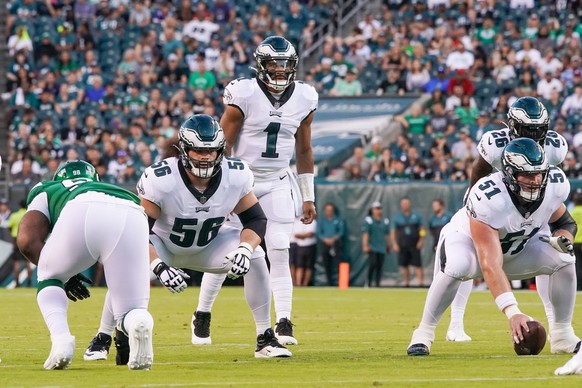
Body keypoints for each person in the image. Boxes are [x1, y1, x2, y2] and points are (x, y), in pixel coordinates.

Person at [84, 115, 291, 359]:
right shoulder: (161, 179)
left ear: (220, 151)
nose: (205, 157)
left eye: (211, 151)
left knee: (256, 254)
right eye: (197, 150)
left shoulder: (236, 175)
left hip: (208, 245)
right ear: (183, 149)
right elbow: (136, 232)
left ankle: (265, 337)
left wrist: (245, 248)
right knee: (128, 268)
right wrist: (158, 265)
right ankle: (103, 336)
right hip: (162, 245)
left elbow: (256, 220)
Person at [192, 36, 318, 346]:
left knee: (278, 246)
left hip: (277, 180)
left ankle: (284, 320)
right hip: (242, 182)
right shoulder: (244, 93)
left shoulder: (305, 97)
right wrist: (219, 186)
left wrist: (308, 195)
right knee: (227, 251)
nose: (279, 69)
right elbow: (222, 143)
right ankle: (203, 312)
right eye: (274, 63)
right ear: (260, 65)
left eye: (285, 64)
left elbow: (304, 148)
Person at [407, 138, 580, 357]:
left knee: (564, 259)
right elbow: (489, 263)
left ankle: (563, 334)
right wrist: (513, 312)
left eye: (538, 173)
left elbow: (565, 222)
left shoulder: (552, 186)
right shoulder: (490, 197)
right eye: (526, 174)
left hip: (515, 249)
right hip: (469, 245)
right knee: (458, 266)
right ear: (509, 174)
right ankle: (424, 332)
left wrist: (562, 238)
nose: (535, 180)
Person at [446, 96, 569, 342]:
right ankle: (456, 322)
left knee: (554, 253)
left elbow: (549, 179)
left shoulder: (555, 147)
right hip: (497, 203)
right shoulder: (496, 143)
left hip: (534, 206)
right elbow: (479, 169)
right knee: (467, 257)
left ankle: (558, 326)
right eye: (527, 130)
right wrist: (473, 194)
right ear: (512, 127)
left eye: (538, 130)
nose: (533, 136)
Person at [16, 160, 154, 370]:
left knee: (48, 275)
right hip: (133, 209)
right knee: (131, 309)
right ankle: (137, 321)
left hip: (81, 206)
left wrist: (63, 275)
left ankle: (62, 341)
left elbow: (26, 241)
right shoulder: (110, 187)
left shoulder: (47, 188)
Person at [391, 197, 425, 287]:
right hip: (403, 244)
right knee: (404, 265)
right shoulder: (397, 217)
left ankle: (420, 283)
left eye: (407, 203)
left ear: (410, 204)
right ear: (401, 205)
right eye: (403, 203)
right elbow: (393, 231)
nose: (405, 205)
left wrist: (421, 240)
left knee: (417, 264)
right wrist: (394, 243)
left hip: (414, 244)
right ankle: (406, 283)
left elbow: (422, 229)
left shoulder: (416, 216)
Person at [361, 201, 390, 288]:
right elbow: (366, 233)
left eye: (380, 209)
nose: (378, 211)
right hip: (372, 247)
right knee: (372, 264)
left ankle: (377, 284)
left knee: (379, 266)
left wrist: (388, 245)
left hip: (381, 247)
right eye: (376, 209)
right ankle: (368, 282)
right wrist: (365, 245)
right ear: (372, 210)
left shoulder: (384, 221)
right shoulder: (369, 220)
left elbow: (386, 234)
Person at [317, 203, 345, 286]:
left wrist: (334, 239)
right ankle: (329, 283)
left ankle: (340, 282)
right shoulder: (322, 221)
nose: (329, 212)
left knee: (338, 262)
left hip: (336, 244)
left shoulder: (338, 220)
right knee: (326, 263)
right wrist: (325, 239)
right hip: (325, 244)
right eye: (327, 210)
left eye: (330, 210)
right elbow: (319, 232)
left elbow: (341, 232)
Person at [6, 200, 32, 287]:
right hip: (28, 238)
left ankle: (17, 283)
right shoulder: (30, 215)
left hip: (16, 238)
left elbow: (9, 227)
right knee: (28, 262)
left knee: (17, 262)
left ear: (19, 206)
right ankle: (29, 283)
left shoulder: (14, 215)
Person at [291, 215, 317, 287]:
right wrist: (304, 236)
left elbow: (310, 234)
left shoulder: (313, 222)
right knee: (299, 266)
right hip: (300, 246)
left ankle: (305, 284)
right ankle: (298, 283)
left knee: (309, 266)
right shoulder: (299, 222)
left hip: (310, 245)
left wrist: (302, 236)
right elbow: (296, 235)